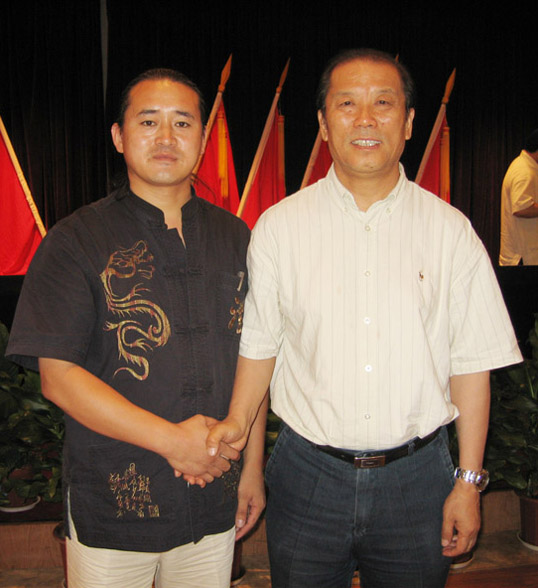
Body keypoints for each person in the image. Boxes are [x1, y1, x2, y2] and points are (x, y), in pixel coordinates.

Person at [207, 49, 523, 588]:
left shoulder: (451, 232)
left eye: (383, 103)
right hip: (306, 475)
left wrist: (468, 483)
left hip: (418, 480)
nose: (366, 119)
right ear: (323, 123)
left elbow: (472, 364)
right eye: (347, 104)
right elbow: (260, 349)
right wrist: (245, 456)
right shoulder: (279, 228)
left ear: (409, 121)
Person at [6, 69, 266, 588]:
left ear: (202, 139)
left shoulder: (237, 237)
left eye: (182, 123)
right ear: (119, 136)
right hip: (114, 499)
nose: (166, 137)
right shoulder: (75, 240)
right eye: (148, 122)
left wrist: (253, 467)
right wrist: (173, 442)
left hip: (215, 492)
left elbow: (254, 357)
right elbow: (58, 378)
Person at [499, 128, 538, 265]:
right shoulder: (524, 171)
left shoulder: (526, 167)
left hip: (524, 257)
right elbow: (521, 208)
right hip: (522, 259)